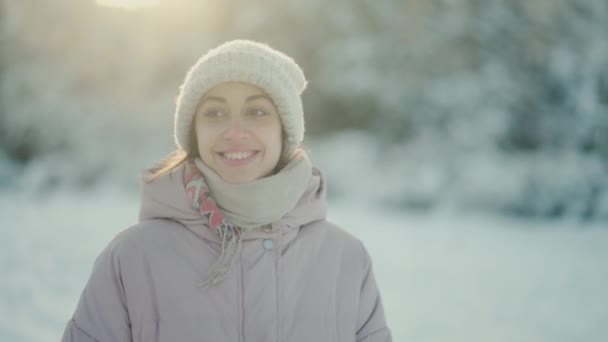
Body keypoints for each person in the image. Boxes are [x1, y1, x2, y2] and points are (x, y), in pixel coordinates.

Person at [61, 39, 392, 342]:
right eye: (215, 113)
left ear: (284, 133)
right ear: (195, 135)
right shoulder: (131, 257)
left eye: (257, 112)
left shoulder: (346, 259)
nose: (235, 132)